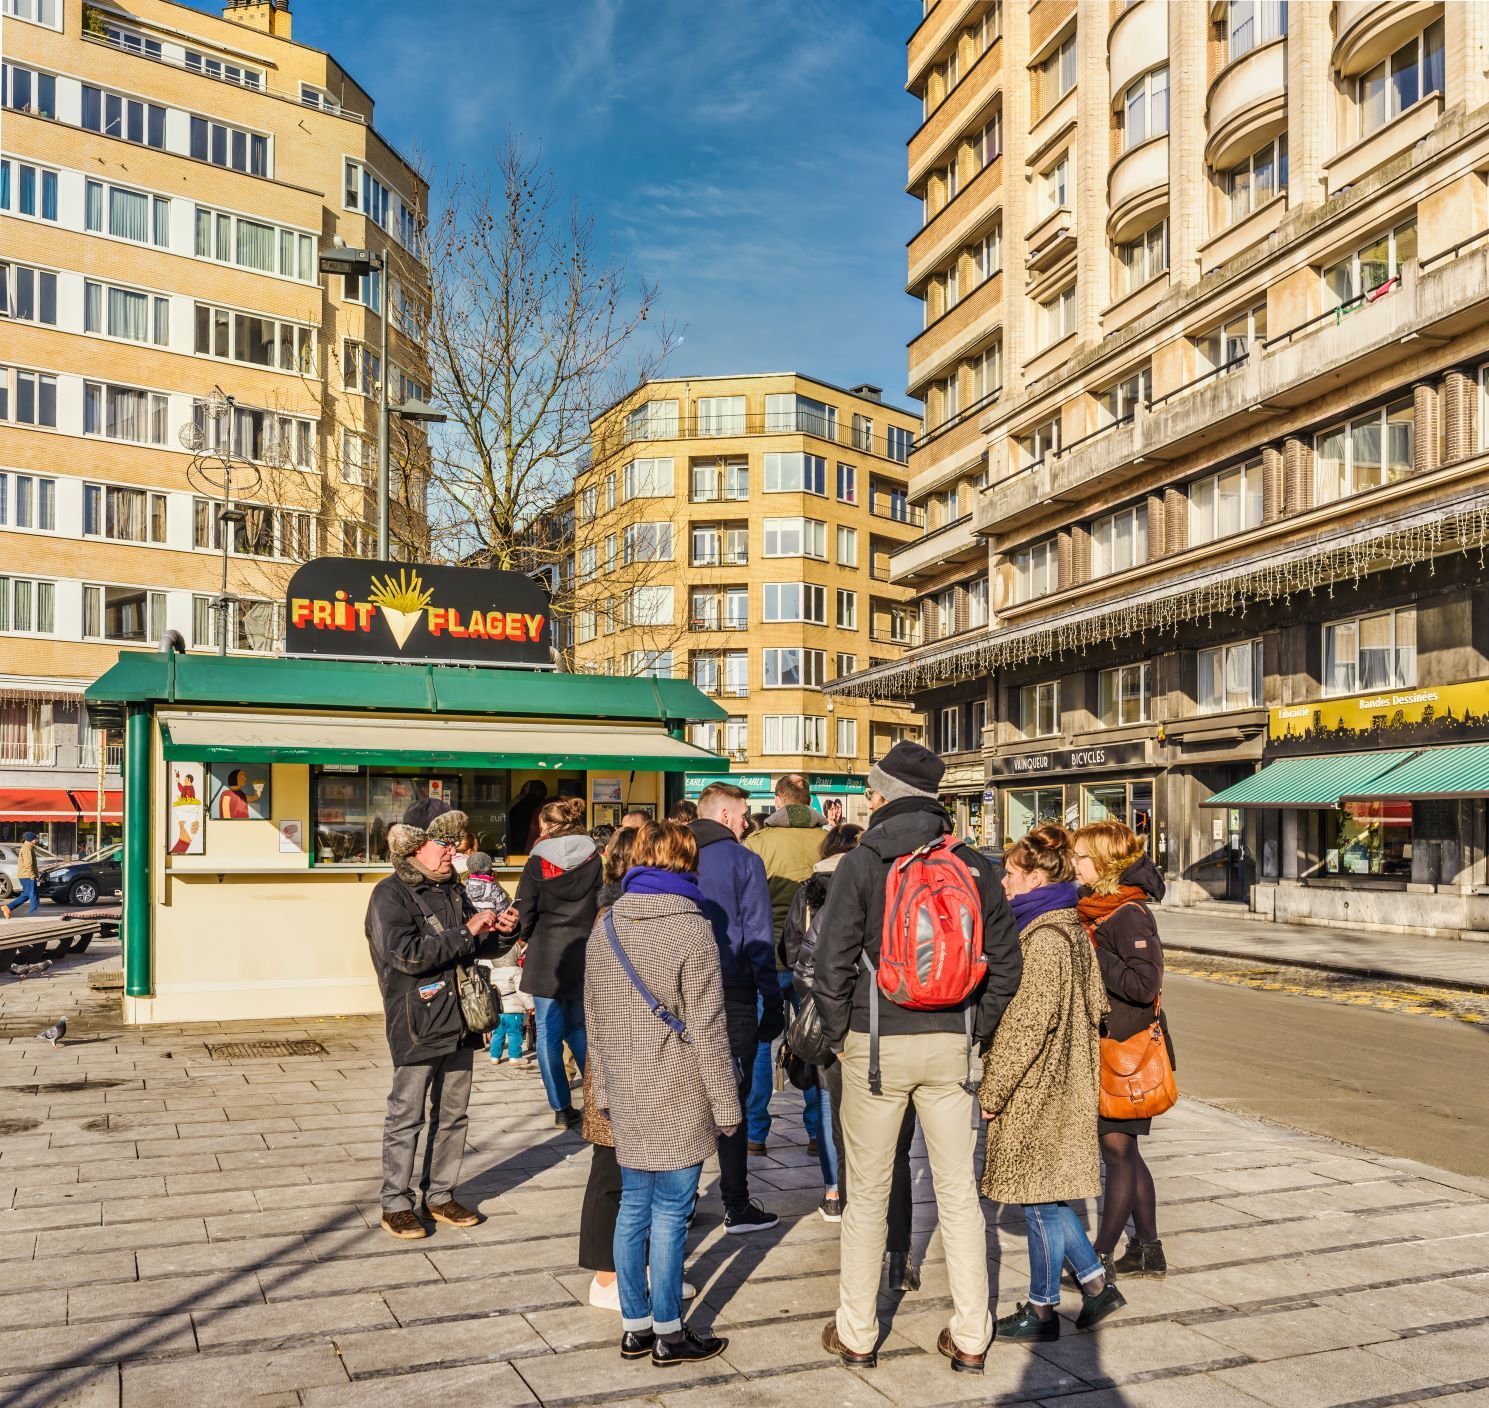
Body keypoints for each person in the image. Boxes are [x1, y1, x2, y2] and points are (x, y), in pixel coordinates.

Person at [814, 741, 1021, 1376]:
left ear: (884, 795)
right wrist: (974, 1030)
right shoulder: (976, 865)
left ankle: (857, 1333)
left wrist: (841, 1033)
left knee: (868, 1194)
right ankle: (970, 1338)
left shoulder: (863, 860)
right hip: (952, 1050)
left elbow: (832, 963)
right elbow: (1007, 966)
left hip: (875, 1049)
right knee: (959, 1195)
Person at [585, 822, 739, 1366]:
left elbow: (595, 1019)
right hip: (679, 1087)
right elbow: (708, 1025)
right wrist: (727, 1104)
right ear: (685, 863)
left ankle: (634, 1326)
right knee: (672, 1212)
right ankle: (670, 1333)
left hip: (625, 1085)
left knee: (633, 1207)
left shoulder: (607, 924)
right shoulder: (692, 927)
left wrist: (602, 1089)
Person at [978, 824, 1126, 1345]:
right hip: (1066, 1083)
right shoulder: (1067, 924)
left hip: (1038, 1090)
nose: (1004, 882)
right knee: (1052, 1194)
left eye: (1011, 873)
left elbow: (1025, 1027)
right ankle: (1095, 1283)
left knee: (1037, 1200)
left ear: (1036, 877)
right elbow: (1096, 1006)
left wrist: (993, 1093)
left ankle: (1041, 1309)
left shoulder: (1042, 938)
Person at [366, 800, 519, 1240]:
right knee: (406, 1116)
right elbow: (405, 956)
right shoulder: (389, 895)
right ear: (415, 846)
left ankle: (440, 1194)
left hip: (461, 1019)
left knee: (454, 1115)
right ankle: (396, 1202)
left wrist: (502, 930)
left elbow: (475, 949)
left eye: (455, 843)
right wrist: (465, 932)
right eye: (444, 843)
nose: (453, 851)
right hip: (416, 1022)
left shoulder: (456, 889)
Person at [1074, 820, 1173, 1280]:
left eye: (1081, 857)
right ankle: (1148, 1250)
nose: (1074, 865)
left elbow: (1143, 983)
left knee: (1117, 1154)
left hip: (1126, 1051)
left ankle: (1099, 1257)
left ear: (1104, 863)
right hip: (1111, 1046)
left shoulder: (1126, 914)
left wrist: (1095, 951)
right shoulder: (1099, 909)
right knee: (1126, 1153)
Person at [690, 782, 783, 1235]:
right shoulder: (745, 861)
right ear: (726, 815)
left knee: (686, 1096)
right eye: (744, 815)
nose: (748, 823)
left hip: (678, 996)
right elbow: (758, 937)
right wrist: (773, 1000)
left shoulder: (674, 853)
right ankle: (736, 1203)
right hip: (734, 992)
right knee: (732, 1098)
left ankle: (682, 1200)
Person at [743, 773, 826, 1154]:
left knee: (760, 1043)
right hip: (813, 958)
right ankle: (815, 1131)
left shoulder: (757, 843)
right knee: (815, 1041)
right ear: (808, 801)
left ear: (778, 801)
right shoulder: (826, 842)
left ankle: (756, 1133)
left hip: (765, 955)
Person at [517, 796, 603, 1128]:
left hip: (546, 954)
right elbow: (601, 902)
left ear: (548, 826)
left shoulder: (536, 861)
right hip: (582, 949)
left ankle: (561, 1108)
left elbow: (525, 910)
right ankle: (596, 1096)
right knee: (578, 1028)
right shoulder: (594, 858)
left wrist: (522, 936)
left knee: (548, 1033)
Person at [508, 779, 549, 856]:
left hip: (516, 846)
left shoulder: (517, 806)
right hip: (533, 845)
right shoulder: (541, 808)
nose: (546, 794)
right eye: (544, 791)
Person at [4, 832, 41, 917]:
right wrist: (32, 876)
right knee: (33, 895)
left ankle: (8, 907)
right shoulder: (27, 848)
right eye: (36, 838)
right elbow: (29, 864)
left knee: (27, 894)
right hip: (27, 875)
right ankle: (34, 914)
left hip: (25, 875)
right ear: (32, 839)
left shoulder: (28, 847)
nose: (37, 840)